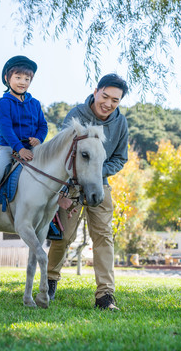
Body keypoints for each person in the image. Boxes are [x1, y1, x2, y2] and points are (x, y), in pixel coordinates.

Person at [47, 73, 129, 311]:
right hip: (71, 185)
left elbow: (120, 158)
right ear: (96, 91)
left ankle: (105, 296)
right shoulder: (77, 115)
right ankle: (50, 280)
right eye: (105, 96)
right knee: (63, 237)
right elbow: (64, 150)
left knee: (104, 237)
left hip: (100, 184)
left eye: (115, 100)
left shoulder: (120, 123)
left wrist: (96, 171)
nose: (109, 103)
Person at [0, 55, 48, 229]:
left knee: (51, 171)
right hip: (8, 147)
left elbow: (43, 125)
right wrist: (19, 149)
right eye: (18, 77)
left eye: (27, 79)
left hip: (33, 148)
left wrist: (39, 138)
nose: (22, 82)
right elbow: (6, 129)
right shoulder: (4, 103)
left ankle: (50, 218)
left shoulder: (35, 103)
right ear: (7, 78)